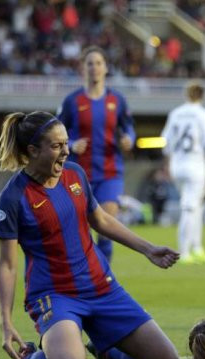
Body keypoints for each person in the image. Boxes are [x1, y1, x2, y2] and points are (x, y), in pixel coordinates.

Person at [0, 111, 180, 359]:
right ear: (33, 151)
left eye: (66, 143)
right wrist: (5, 321)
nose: (66, 151)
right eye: (56, 146)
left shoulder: (75, 174)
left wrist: (148, 249)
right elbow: (8, 266)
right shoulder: (13, 197)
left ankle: (108, 351)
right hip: (55, 295)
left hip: (101, 287)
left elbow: (101, 220)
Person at [57, 45, 135, 263]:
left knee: (107, 226)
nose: (94, 67)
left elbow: (129, 127)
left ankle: (105, 278)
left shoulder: (117, 101)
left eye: (99, 63)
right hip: (79, 174)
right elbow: (56, 132)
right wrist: (71, 144)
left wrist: (129, 139)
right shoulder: (72, 101)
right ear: (83, 68)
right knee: (81, 230)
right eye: (90, 63)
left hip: (110, 172)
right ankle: (86, 274)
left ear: (106, 67)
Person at [160, 80, 205, 264]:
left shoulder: (175, 113)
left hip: (177, 165)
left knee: (195, 206)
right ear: (202, 95)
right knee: (190, 207)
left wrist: (167, 165)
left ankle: (197, 247)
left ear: (186, 94)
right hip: (195, 165)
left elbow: (166, 143)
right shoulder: (203, 114)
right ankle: (184, 252)